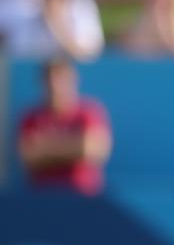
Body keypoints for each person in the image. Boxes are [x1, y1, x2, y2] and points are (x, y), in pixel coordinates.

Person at [17, 56, 112, 194]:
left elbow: (93, 151)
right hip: (42, 196)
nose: (55, 85)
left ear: (73, 80)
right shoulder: (30, 118)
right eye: (50, 79)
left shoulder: (90, 112)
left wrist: (45, 147)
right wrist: (74, 146)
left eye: (61, 78)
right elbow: (28, 157)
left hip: (82, 195)